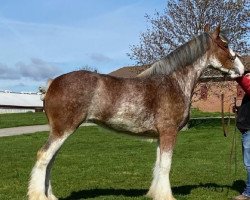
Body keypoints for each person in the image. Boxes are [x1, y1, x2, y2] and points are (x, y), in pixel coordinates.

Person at [233, 69, 250, 200]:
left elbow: (247, 86)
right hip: (246, 131)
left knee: (249, 164)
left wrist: (239, 77)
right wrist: (238, 110)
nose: (248, 77)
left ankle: (248, 193)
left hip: (249, 132)